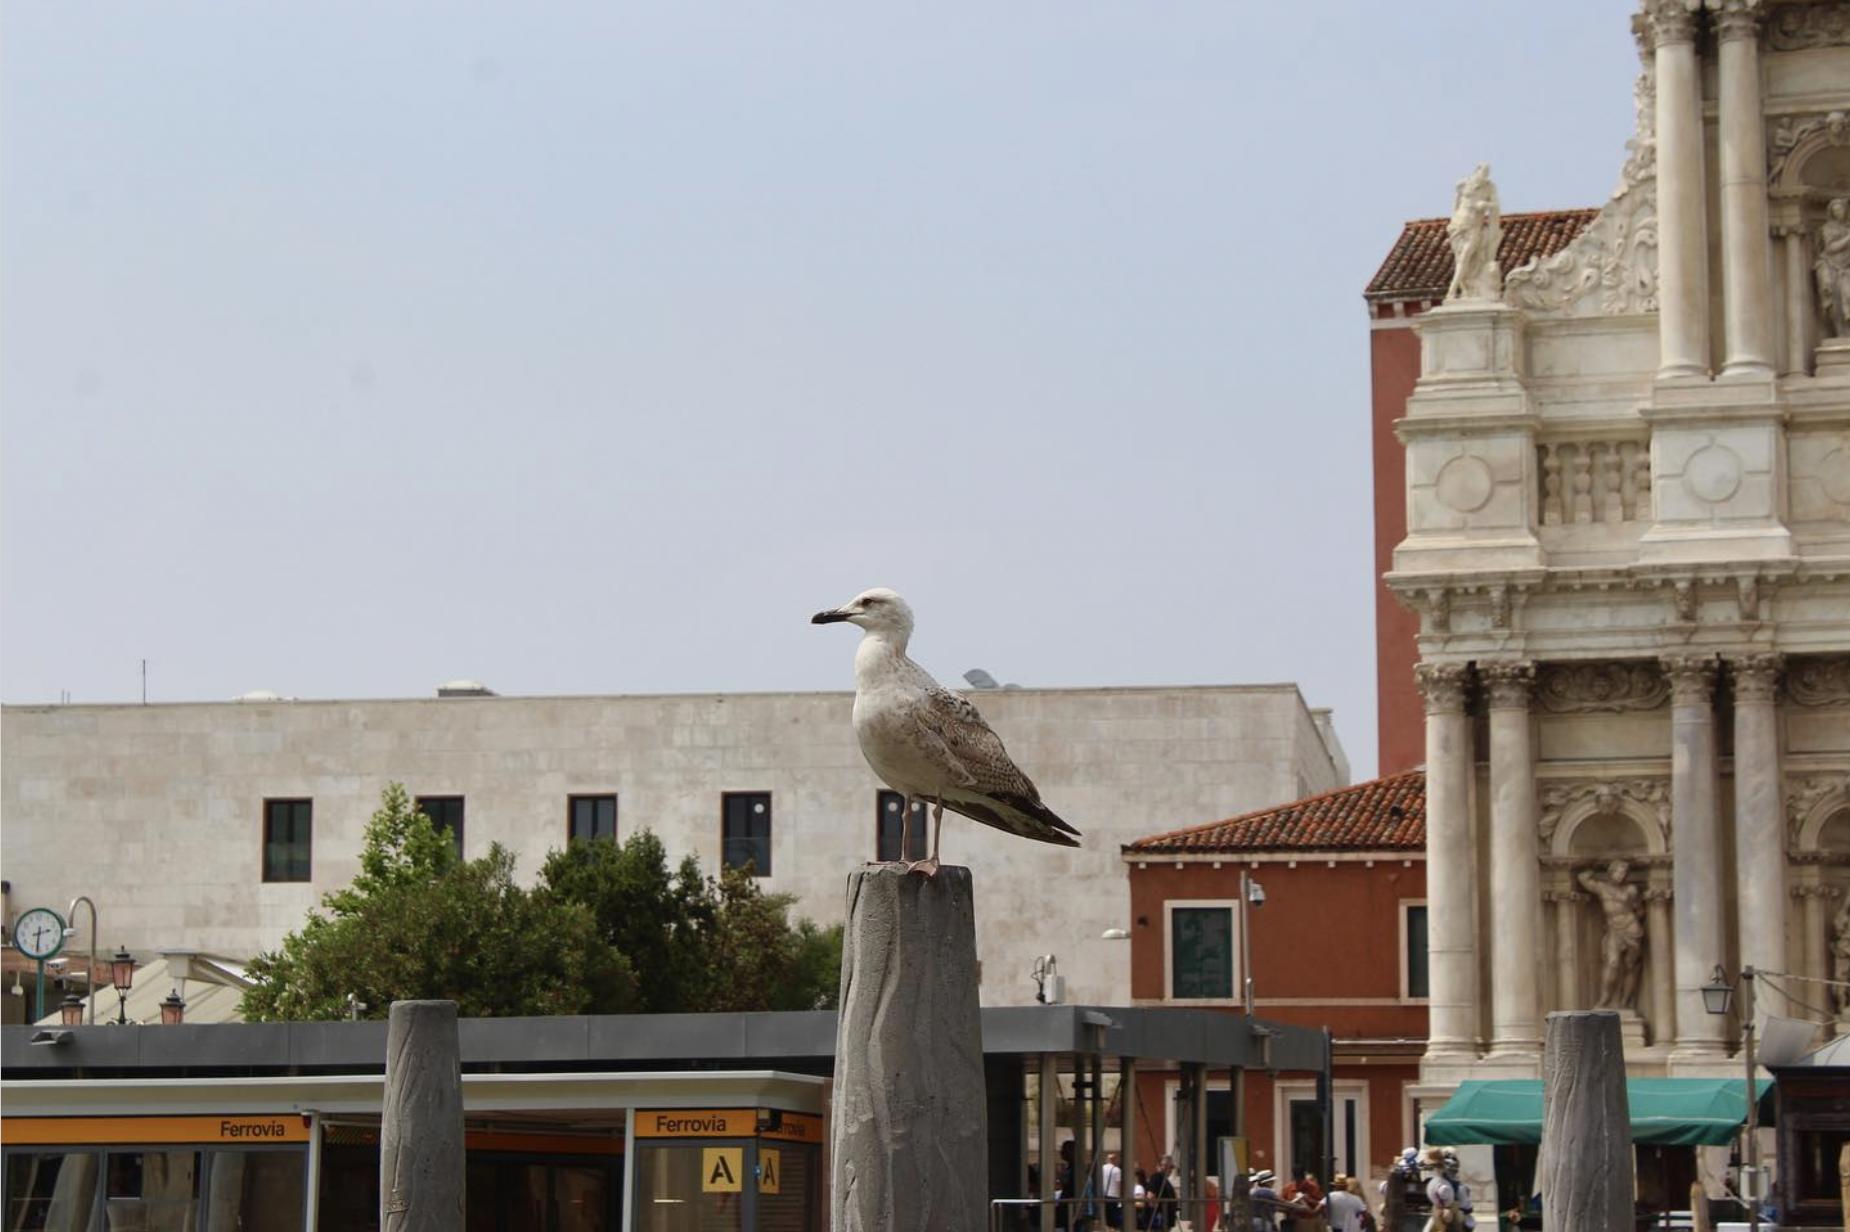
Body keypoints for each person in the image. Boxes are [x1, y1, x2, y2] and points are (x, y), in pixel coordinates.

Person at [1578, 859, 1644, 1011]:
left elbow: (1640, 909)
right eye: (1619, 871)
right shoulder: (1603, 887)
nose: (1622, 875)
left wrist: (1632, 920)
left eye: (1624, 872)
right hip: (1614, 929)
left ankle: (1626, 1002)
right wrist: (1595, 865)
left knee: (1630, 965)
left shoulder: (1631, 889)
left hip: (1632, 929)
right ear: (1611, 872)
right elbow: (1582, 878)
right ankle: (1605, 999)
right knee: (1612, 963)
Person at [1816, 196, 1850, 339]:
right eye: (1835, 210)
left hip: (1847, 268)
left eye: (1841, 209)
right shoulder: (1827, 228)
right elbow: (1830, 248)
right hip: (1831, 266)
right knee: (1834, 301)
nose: (1838, 212)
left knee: (1847, 296)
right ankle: (1841, 333)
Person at [1104, 1151, 1125, 1230]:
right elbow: (1119, 1184)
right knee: (1113, 1219)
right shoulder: (1117, 1170)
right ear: (1115, 1160)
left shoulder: (1102, 1168)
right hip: (1114, 1196)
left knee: (1106, 1218)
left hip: (1103, 1196)